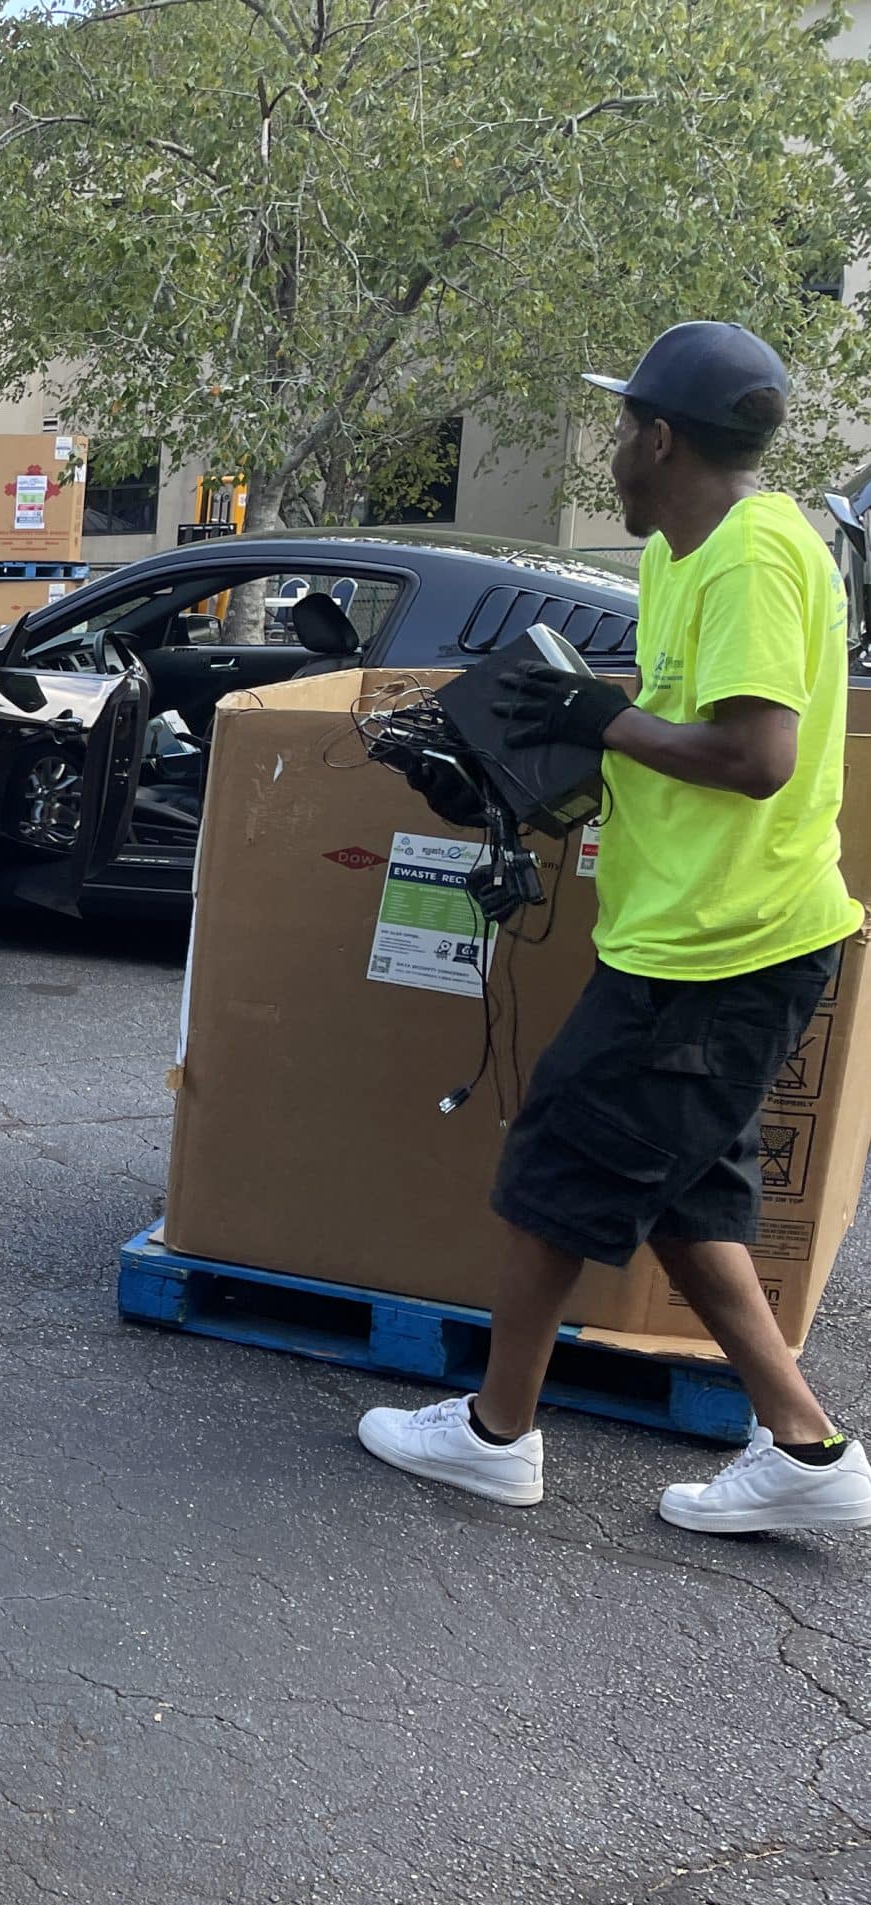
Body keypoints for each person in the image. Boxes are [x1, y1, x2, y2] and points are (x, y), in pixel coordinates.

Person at [358, 321, 871, 1536]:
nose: (611, 453)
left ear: (656, 437)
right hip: (690, 934)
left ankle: (495, 1433)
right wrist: (526, 764)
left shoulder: (751, 555)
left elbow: (752, 757)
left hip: (721, 948)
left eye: (618, 429)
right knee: (683, 1196)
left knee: (554, 1169)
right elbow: (670, 722)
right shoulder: (677, 554)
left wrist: (601, 718)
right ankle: (804, 1451)